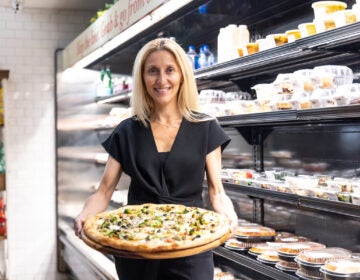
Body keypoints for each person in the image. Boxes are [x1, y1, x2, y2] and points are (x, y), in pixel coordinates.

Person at [74, 37, 238, 280]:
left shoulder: (206, 127)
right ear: (142, 78)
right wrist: (84, 214)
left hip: (190, 246)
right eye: (153, 71)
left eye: (170, 70)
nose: (162, 80)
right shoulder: (126, 131)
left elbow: (217, 192)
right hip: (136, 247)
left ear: (182, 75)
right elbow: (104, 191)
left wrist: (229, 215)